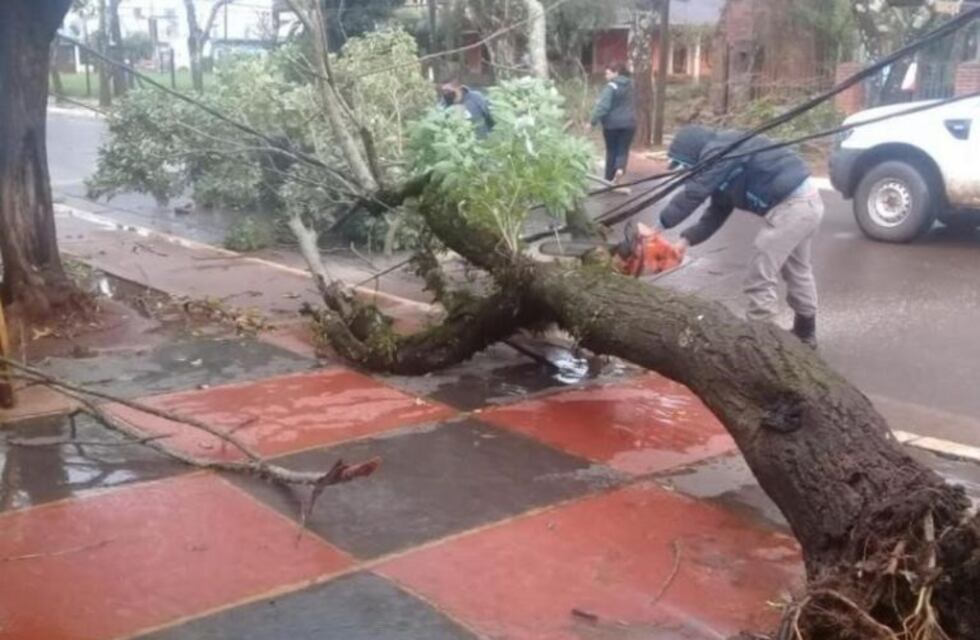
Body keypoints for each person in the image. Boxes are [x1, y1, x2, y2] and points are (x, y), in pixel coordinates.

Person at [660, 125, 824, 348]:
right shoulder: (725, 163)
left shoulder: (720, 149)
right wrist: (685, 240)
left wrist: (659, 225)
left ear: (695, 152)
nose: (690, 172)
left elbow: (695, 191)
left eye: (688, 166)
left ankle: (762, 342)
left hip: (793, 207)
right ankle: (806, 333)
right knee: (797, 270)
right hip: (808, 204)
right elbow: (715, 213)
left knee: (760, 273)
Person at [590, 63, 637, 185]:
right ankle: (620, 169)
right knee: (623, 149)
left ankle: (608, 179)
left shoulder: (611, 86)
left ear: (616, 73)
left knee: (611, 150)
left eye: (608, 73)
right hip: (629, 124)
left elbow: (603, 107)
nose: (606, 76)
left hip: (612, 125)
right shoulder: (632, 85)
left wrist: (592, 121)